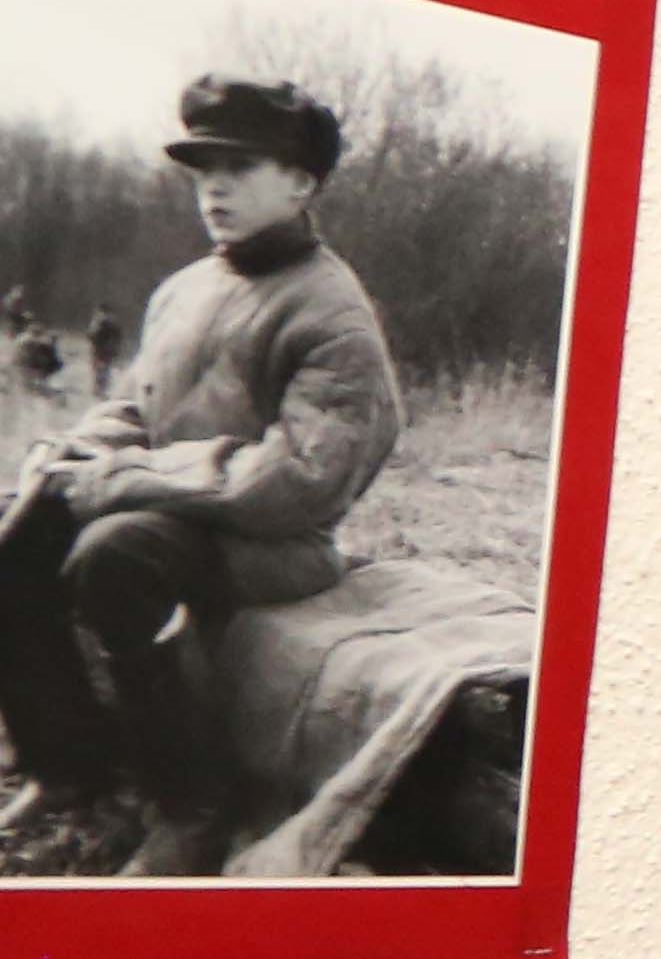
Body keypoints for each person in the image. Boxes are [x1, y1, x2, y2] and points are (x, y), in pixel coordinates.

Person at [0, 75, 395, 870]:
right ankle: (68, 763)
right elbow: (136, 407)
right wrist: (73, 449)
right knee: (18, 531)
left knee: (115, 553)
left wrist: (130, 476)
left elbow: (300, 479)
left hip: (274, 541)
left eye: (240, 166)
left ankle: (191, 807)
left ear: (301, 183)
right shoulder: (185, 288)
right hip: (173, 509)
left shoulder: (332, 310)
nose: (214, 186)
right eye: (203, 168)